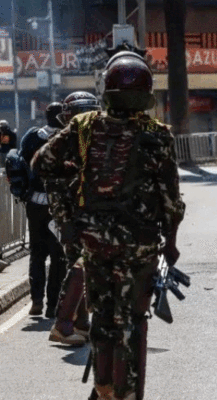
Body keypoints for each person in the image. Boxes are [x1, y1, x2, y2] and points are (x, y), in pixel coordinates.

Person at [33, 51, 184, 400]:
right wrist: (171, 241)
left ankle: (103, 388)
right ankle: (128, 392)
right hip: (141, 247)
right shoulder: (158, 135)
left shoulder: (83, 127)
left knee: (102, 318)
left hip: (95, 245)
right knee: (133, 320)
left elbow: (42, 163)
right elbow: (171, 201)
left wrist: (78, 172)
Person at [46, 91, 102, 346]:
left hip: (89, 215)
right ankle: (63, 324)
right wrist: (65, 223)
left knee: (84, 269)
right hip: (71, 216)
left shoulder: (90, 141)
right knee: (78, 267)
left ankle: (80, 323)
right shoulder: (61, 143)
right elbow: (55, 186)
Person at [20, 103, 68, 318]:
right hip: (60, 206)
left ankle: (36, 300)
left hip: (35, 205)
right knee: (59, 256)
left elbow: (21, 163)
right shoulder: (68, 138)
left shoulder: (32, 136)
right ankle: (52, 305)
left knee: (37, 254)